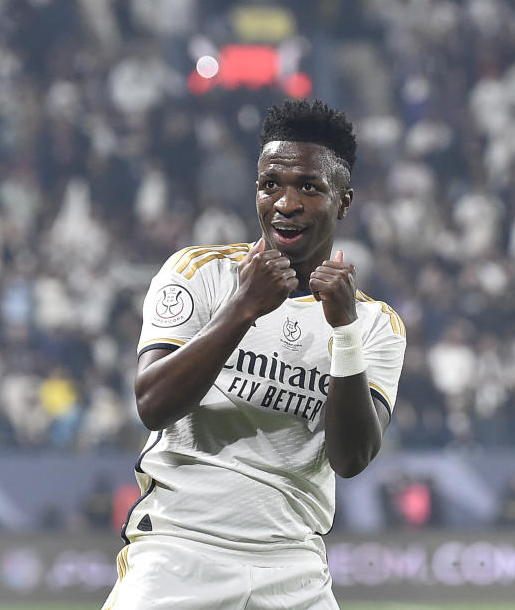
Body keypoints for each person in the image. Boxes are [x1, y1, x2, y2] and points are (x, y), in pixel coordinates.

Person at [101, 99, 406, 610]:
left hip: (294, 568)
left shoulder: (374, 323)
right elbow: (152, 403)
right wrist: (242, 308)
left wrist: (344, 332)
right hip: (180, 551)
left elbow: (351, 459)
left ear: (344, 201)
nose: (285, 203)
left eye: (308, 187)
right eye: (271, 185)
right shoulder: (199, 273)